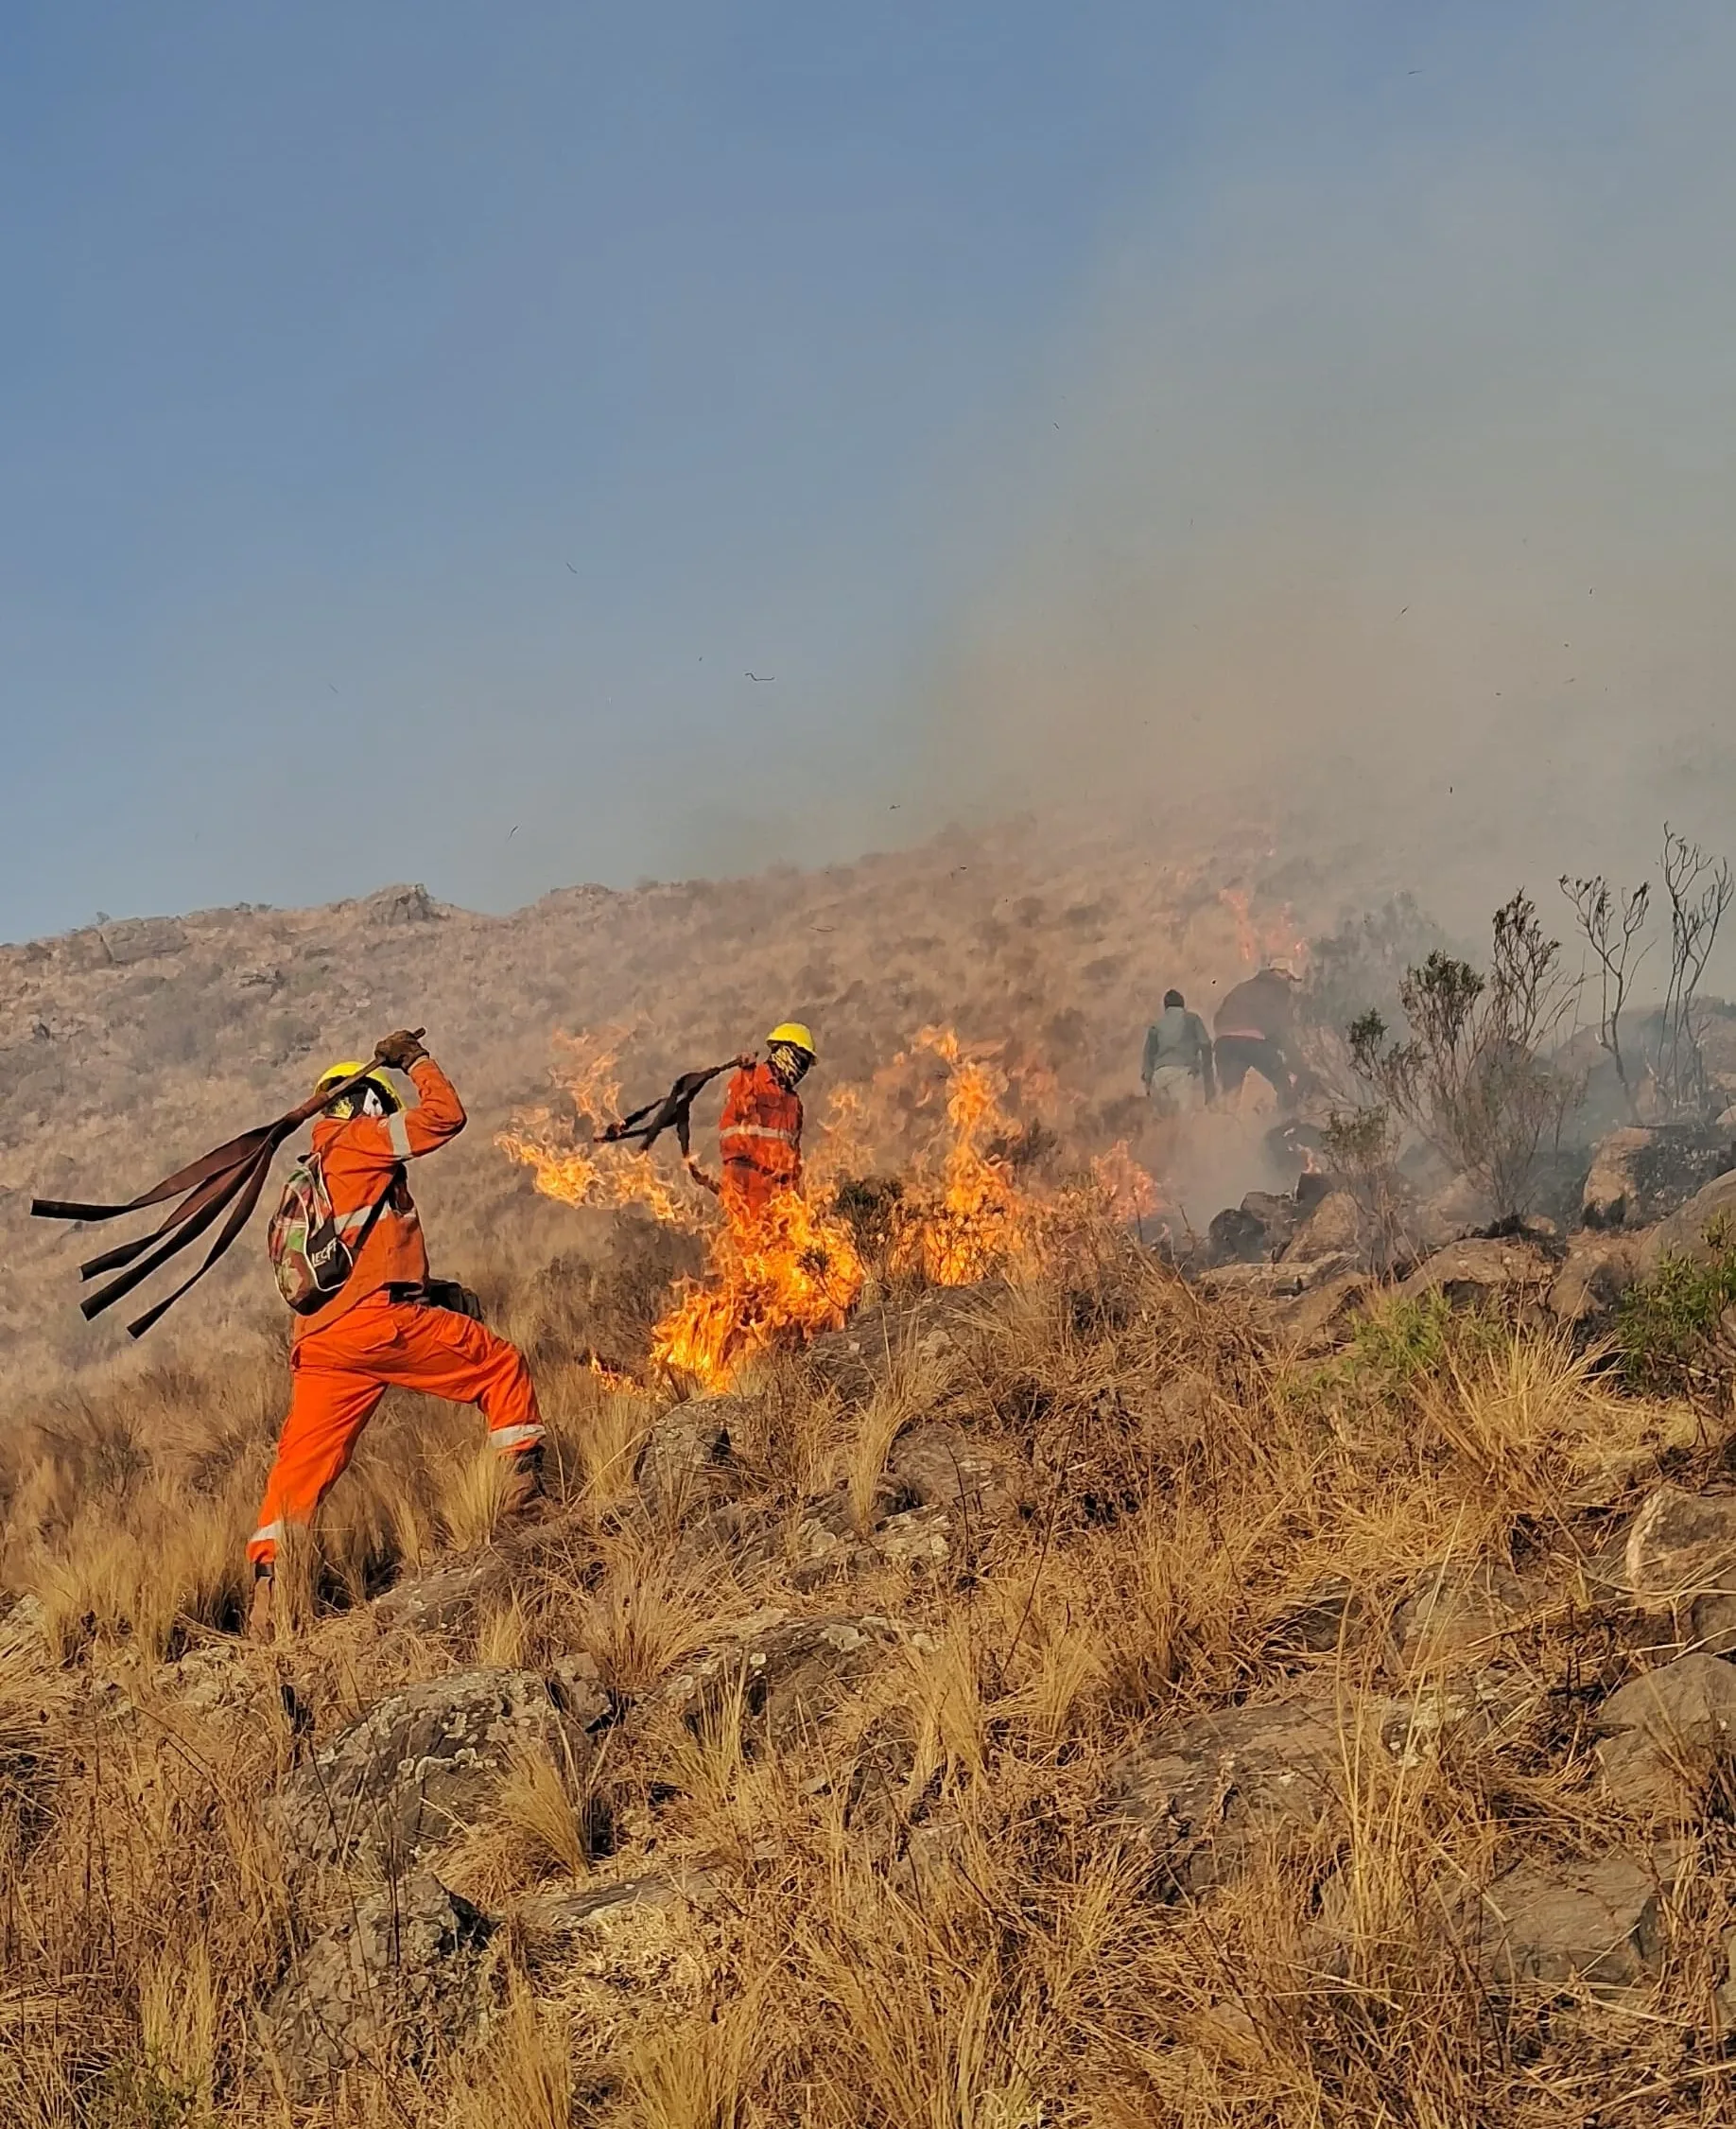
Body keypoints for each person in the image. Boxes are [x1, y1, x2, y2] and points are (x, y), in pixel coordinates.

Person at [247, 1031, 545, 1637]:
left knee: (299, 1470)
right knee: (500, 1367)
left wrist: (434, 1293)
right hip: (376, 1327)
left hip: (323, 1344)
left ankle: (268, 1596)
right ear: (369, 1103)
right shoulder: (360, 1143)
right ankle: (524, 1497)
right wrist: (416, 1061)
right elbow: (444, 1117)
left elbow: (359, 1257)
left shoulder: (319, 1169)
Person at [716, 1021, 815, 1222]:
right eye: (800, 1060)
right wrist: (747, 1072)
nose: (802, 1069)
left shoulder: (794, 1103)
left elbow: (793, 1154)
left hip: (781, 1198)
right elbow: (739, 1109)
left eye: (806, 1064)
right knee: (753, 1250)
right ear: (783, 1052)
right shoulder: (750, 1080)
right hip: (747, 1189)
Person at [1213, 967, 1302, 1110]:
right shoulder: (1277, 991)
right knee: (1283, 1081)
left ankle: (1226, 1127)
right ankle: (1287, 1117)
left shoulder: (1244, 987)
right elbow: (1279, 1028)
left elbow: (1219, 1016)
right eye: (1289, 978)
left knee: (1229, 1093)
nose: (1290, 983)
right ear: (1279, 974)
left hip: (1224, 1041)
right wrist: (1296, 1060)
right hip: (1252, 1042)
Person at [1141, 989, 1215, 1113]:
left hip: (1159, 1075)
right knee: (1183, 1118)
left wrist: (1148, 1083)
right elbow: (1205, 1044)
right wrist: (1206, 1074)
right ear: (1183, 1003)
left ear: (1165, 1007)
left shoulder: (1157, 1025)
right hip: (1181, 1073)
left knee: (1163, 1120)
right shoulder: (1192, 1019)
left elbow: (1148, 1055)